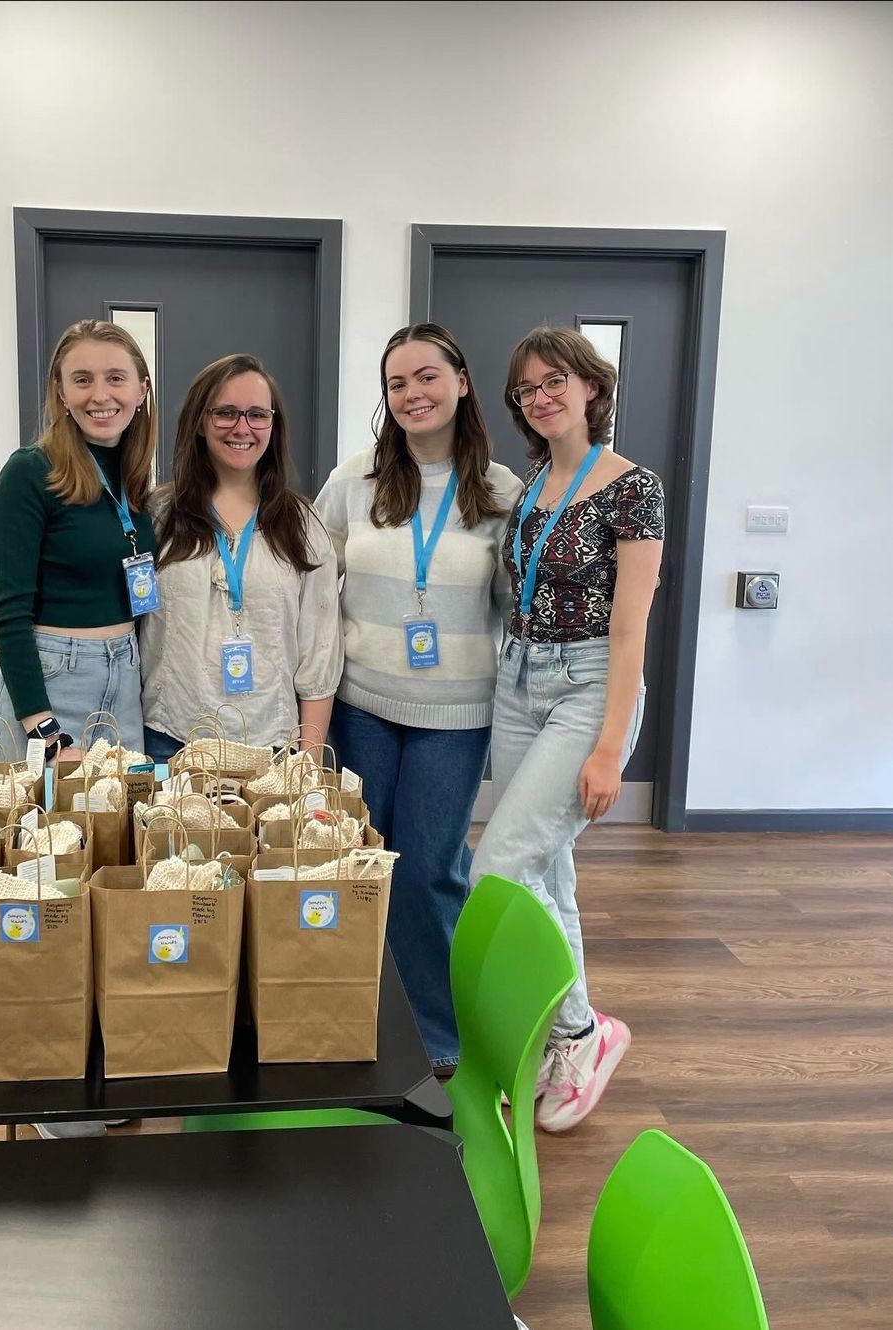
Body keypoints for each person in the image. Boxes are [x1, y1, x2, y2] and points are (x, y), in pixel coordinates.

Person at [470, 326, 665, 1132]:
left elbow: (630, 633)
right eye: (526, 389)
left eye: (556, 380)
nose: (542, 396)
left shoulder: (632, 489)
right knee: (548, 869)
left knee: (497, 867)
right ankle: (564, 1037)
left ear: (591, 385)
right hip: (518, 680)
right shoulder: (528, 486)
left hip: (587, 687)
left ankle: (582, 1030)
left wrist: (611, 748)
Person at [315, 323, 523, 1074]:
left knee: (431, 870)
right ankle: (362, 1017)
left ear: (461, 382)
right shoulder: (354, 480)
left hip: (457, 716)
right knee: (367, 867)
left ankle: (440, 1041)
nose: (412, 395)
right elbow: (312, 582)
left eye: (427, 377)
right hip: (363, 705)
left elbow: (518, 609)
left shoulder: (502, 492)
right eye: (397, 383)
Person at [139, 353, 341, 760]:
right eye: (226, 413)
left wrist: (311, 758)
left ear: (273, 424)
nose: (242, 428)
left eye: (257, 415)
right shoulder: (157, 515)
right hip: (168, 738)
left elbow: (320, 650)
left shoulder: (303, 525)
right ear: (199, 421)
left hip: (272, 746)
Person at [0, 319, 158, 767]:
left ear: (141, 389)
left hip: (124, 674)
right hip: (51, 679)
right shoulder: (30, 472)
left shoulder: (135, 479)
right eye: (82, 380)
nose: (100, 395)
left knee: (115, 833)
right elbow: (8, 613)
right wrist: (44, 728)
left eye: (115, 378)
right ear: (60, 392)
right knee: (33, 833)